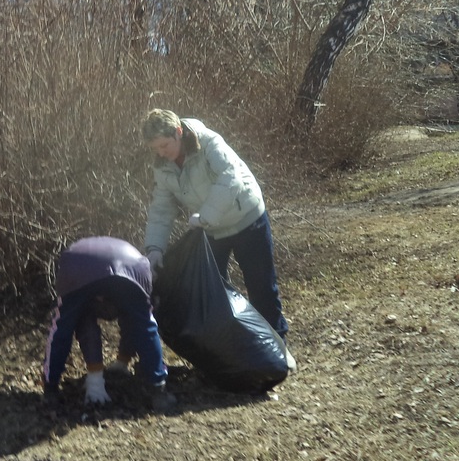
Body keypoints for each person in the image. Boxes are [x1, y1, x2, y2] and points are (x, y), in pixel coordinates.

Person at [139, 109, 295, 370]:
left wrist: (206, 215)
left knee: (261, 285)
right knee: (213, 294)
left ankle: (279, 347)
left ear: (178, 132)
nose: (161, 153)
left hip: (247, 219)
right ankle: (229, 352)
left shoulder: (209, 142)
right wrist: (154, 249)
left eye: (164, 145)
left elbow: (230, 178)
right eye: (155, 148)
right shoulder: (162, 166)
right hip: (211, 230)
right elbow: (161, 208)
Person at [41, 236, 175, 412]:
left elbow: (60, 331)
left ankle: (56, 388)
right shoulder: (142, 275)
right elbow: (145, 328)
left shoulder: (77, 265)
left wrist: (48, 385)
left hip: (80, 267)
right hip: (128, 266)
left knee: (67, 324)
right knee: (142, 323)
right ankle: (159, 391)